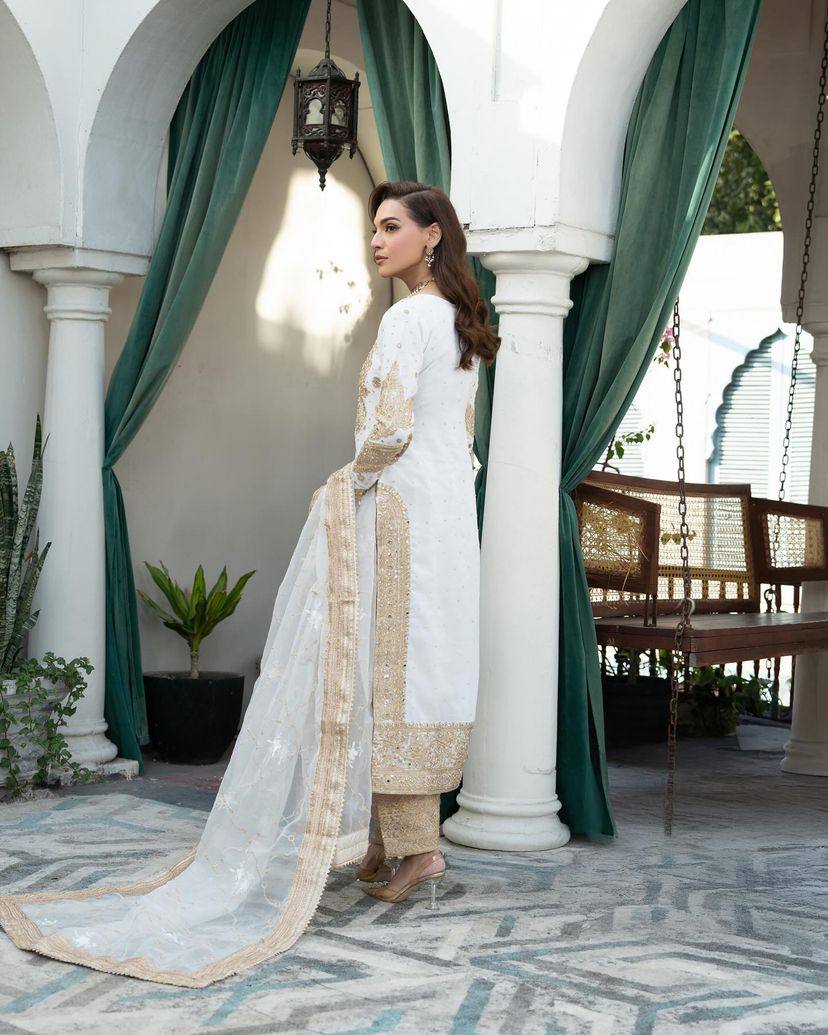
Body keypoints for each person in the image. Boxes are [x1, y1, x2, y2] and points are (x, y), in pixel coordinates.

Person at [0, 180, 499, 988]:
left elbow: (388, 429)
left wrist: (345, 482)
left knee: (377, 668)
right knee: (413, 672)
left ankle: (413, 847)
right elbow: (461, 436)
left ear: (432, 234)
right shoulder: (464, 323)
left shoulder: (409, 318)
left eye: (390, 227)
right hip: (447, 520)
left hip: (400, 512)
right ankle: (408, 843)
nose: (376, 241)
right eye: (373, 228)